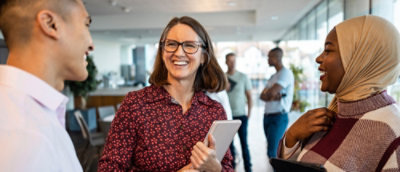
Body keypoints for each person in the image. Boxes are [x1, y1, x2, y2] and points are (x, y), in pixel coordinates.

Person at [98, 16, 233, 172]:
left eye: (189, 45)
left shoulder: (214, 111)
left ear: (203, 56)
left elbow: (227, 166)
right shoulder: (135, 104)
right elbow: (109, 168)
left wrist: (216, 169)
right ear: (162, 53)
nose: (179, 52)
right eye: (171, 44)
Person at [278, 15, 400, 171]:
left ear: (359, 59)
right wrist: (292, 135)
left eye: (328, 50)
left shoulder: (391, 133)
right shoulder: (332, 114)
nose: (318, 58)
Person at [0, 0, 94, 171]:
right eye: (86, 24)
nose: (91, 44)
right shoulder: (23, 135)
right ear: (51, 24)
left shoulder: (26, 116)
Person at [260, 47, 294, 158]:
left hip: (278, 117)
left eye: (269, 57)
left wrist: (270, 94)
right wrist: (271, 95)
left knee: (273, 152)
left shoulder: (286, 73)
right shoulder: (273, 76)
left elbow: (270, 92)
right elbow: (262, 96)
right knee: (271, 150)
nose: (267, 59)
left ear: (276, 58)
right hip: (268, 116)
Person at [226, 52, 253, 172]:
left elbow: (250, 97)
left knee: (244, 144)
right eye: (230, 61)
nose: (232, 63)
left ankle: (248, 168)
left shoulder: (243, 77)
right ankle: (232, 168)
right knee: (229, 146)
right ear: (226, 62)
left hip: (241, 116)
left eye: (234, 61)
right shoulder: (222, 77)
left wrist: (249, 114)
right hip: (227, 118)